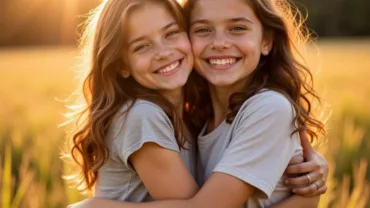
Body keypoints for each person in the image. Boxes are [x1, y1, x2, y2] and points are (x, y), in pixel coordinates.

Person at [66, 0, 328, 207]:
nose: (165, 52)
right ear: (121, 64)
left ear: (267, 41)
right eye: (203, 30)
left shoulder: (256, 109)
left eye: (170, 34)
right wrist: (305, 201)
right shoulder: (147, 116)